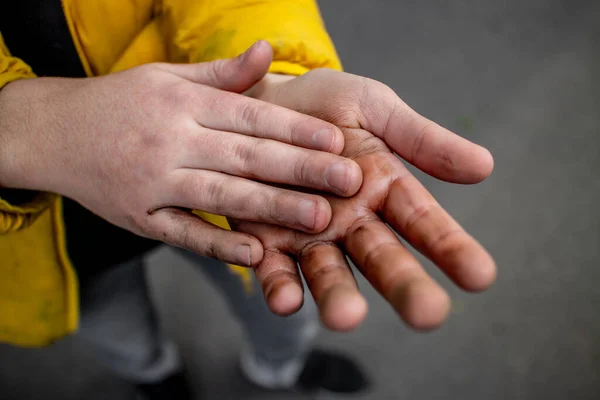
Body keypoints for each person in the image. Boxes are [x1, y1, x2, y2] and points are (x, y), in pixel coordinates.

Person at [0, 0, 496, 399]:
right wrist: (39, 130)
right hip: (28, 236)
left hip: (212, 160)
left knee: (283, 295)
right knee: (113, 324)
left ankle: (280, 368)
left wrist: (269, 81)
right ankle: (155, 375)